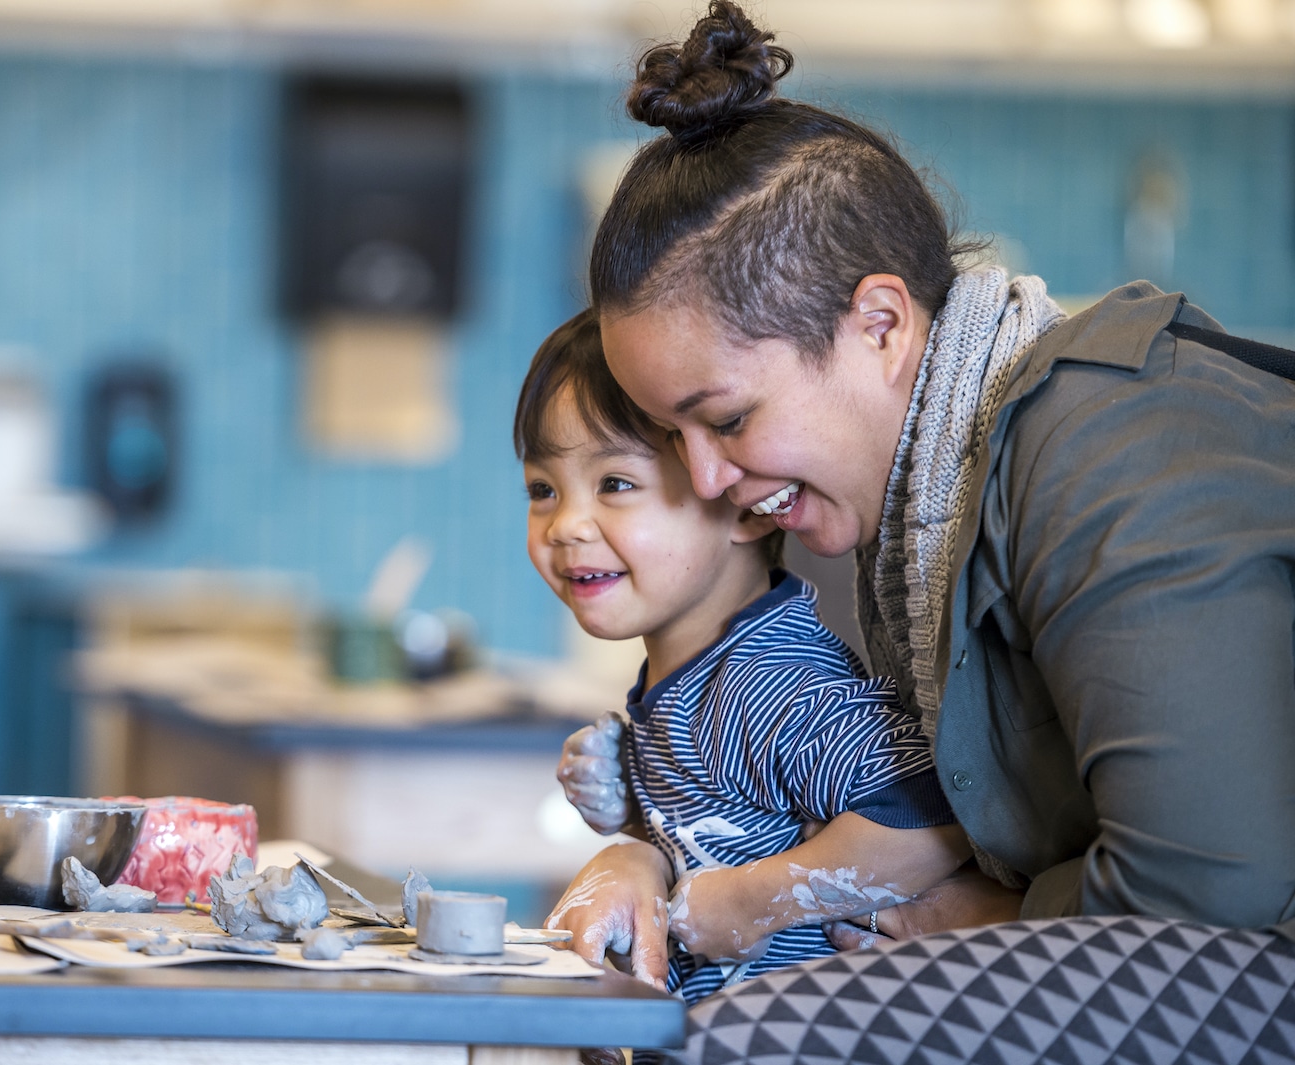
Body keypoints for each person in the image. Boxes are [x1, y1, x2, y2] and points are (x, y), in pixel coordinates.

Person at [547, 2, 1295, 1060]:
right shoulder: (889, 525)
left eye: (724, 420)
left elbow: (1205, 899)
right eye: (673, 439)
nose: (709, 479)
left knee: (731, 1042)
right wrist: (645, 863)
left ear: (882, 326)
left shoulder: (1106, 449)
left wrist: (979, 923)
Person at [516, 309, 970, 1004]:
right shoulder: (692, 676)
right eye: (543, 489)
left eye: (615, 483)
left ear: (744, 501)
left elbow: (935, 808)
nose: (566, 526)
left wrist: (755, 899)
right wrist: (631, 818)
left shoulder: (766, 680)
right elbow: (734, 820)